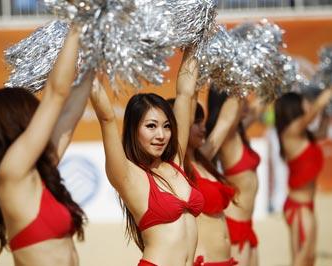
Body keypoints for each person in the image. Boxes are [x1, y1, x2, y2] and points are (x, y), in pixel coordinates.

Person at [0, 25, 94, 266]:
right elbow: (56, 95)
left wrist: (93, 60)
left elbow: (69, 116)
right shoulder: (10, 172)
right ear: (16, 120)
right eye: (32, 112)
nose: (39, 119)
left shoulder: (36, 172)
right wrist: (77, 24)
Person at [90, 49, 204, 266]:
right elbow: (106, 118)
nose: (161, 135)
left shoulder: (175, 163)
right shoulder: (128, 175)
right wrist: (86, 67)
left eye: (166, 126)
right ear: (134, 130)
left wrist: (193, 43)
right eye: (151, 126)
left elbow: (185, 94)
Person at [167, 96, 237, 266]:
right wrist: (192, 87)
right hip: (204, 262)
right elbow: (184, 116)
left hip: (226, 260)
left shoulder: (203, 159)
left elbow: (226, 120)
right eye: (196, 122)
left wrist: (239, 84)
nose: (203, 128)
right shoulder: (177, 168)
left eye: (202, 121)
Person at [200, 86, 261, 266]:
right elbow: (229, 115)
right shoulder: (227, 135)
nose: (247, 104)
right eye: (242, 99)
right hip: (235, 224)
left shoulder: (238, 132)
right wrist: (235, 78)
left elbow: (261, 105)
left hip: (247, 222)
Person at [274, 88, 332, 266]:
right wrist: (328, 89)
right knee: (300, 261)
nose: (307, 104)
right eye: (304, 102)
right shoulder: (291, 131)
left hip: (307, 204)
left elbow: (321, 130)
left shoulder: (304, 135)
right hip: (298, 207)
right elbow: (314, 110)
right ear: (294, 107)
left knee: (309, 259)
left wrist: (327, 112)